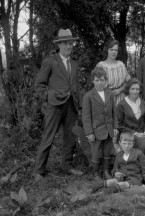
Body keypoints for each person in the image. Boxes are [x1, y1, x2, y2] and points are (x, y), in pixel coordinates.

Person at [34, 29, 83, 181]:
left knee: (70, 137)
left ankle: (66, 166)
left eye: (71, 43)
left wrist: (79, 105)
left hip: (71, 106)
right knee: (48, 137)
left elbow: (76, 86)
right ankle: (39, 171)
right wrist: (49, 96)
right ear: (59, 44)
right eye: (66, 43)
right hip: (55, 106)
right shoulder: (50, 61)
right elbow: (39, 85)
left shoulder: (74, 64)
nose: (69, 46)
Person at [116, 78, 145, 170]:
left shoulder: (142, 102)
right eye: (133, 89)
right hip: (129, 134)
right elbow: (119, 125)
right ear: (128, 90)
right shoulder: (121, 104)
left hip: (143, 132)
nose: (135, 91)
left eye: (137, 89)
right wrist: (135, 134)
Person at [82, 67, 118, 180]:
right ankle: (96, 173)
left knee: (107, 151)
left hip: (108, 129)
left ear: (105, 80)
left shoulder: (110, 94)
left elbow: (114, 112)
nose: (99, 82)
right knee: (96, 152)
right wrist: (89, 132)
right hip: (96, 130)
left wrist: (115, 127)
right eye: (97, 80)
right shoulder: (88, 96)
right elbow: (86, 116)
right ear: (93, 80)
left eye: (102, 80)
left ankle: (106, 171)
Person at [95, 39, 131, 105]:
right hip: (106, 100)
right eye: (111, 50)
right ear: (107, 50)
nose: (114, 52)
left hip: (121, 100)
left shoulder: (121, 65)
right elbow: (97, 84)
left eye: (116, 50)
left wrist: (120, 89)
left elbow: (128, 81)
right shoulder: (101, 66)